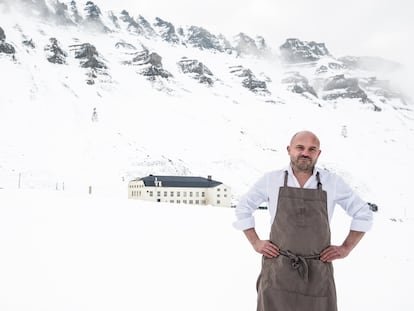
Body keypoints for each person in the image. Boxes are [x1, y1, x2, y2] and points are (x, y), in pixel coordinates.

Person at [233, 130, 373, 311]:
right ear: (289, 149)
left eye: (312, 149)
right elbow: (243, 208)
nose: (305, 153)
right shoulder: (271, 180)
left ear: (318, 153)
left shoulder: (332, 182)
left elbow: (363, 213)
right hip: (278, 270)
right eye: (300, 147)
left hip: (317, 272)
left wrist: (346, 248)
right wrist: (256, 242)